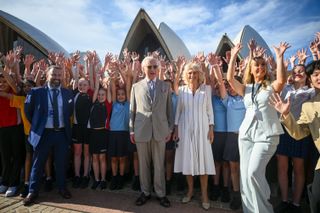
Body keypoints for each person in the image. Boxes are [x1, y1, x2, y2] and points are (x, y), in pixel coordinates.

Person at [227, 40, 290, 213]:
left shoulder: (271, 86)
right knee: (245, 177)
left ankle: (264, 208)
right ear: (251, 68)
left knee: (254, 172)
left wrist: (279, 56)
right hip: (246, 135)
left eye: (263, 65)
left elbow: (282, 79)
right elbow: (230, 79)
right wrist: (233, 56)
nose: (260, 67)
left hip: (267, 135)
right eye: (257, 65)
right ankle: (249, 210)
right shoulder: (246, 88)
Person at [270, 60, 320, 213]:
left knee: (299, 168)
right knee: (282, 167)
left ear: (308, 77)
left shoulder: (312, 92)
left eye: (302, 71)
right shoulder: (286, 88)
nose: (298, 72)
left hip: (302, 131)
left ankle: (296, 203)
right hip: (284, 130)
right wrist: (280, 61)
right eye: (295, 70)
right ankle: (285, 200)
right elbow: (277, 76)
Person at [23, 65, 74, 206]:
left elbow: (68, 112)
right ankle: (32, 191)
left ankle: (62, 188)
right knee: (37, 163)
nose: (57, 78)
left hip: (61, 133)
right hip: (44, 134)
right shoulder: (36, 92)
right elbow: (29, 112)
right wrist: (39, 125)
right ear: (47, 75)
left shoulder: (67, 93)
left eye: (59, 75)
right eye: (54, 75)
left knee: (61, 163)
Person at [129, 56, 173, 208]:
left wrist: (170, 129)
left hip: (161, 131)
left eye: (155, 66)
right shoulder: (136, 87)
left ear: (158, 68)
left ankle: (161, 194)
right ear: (143, 69)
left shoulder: (165, 86)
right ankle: (145, 192)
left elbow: (169, 110)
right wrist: (131, 130)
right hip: (141, 131)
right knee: (144, 164)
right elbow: (132, 111)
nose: (153, 69)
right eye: (149, 67)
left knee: (159, 164)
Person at [173, 62, 215, 210]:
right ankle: (190, 191)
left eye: (195, 72)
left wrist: (211, 128)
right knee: (187, 161)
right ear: (186, 75)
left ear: (199, 74)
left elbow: (210, 110)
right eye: (190, 73)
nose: (192, 75)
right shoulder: (182, 91)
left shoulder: (206, 89)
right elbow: (178, 111)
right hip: (185, 130)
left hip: (203, 130)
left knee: (203, 161)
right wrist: (176, 128)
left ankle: (204, 194)